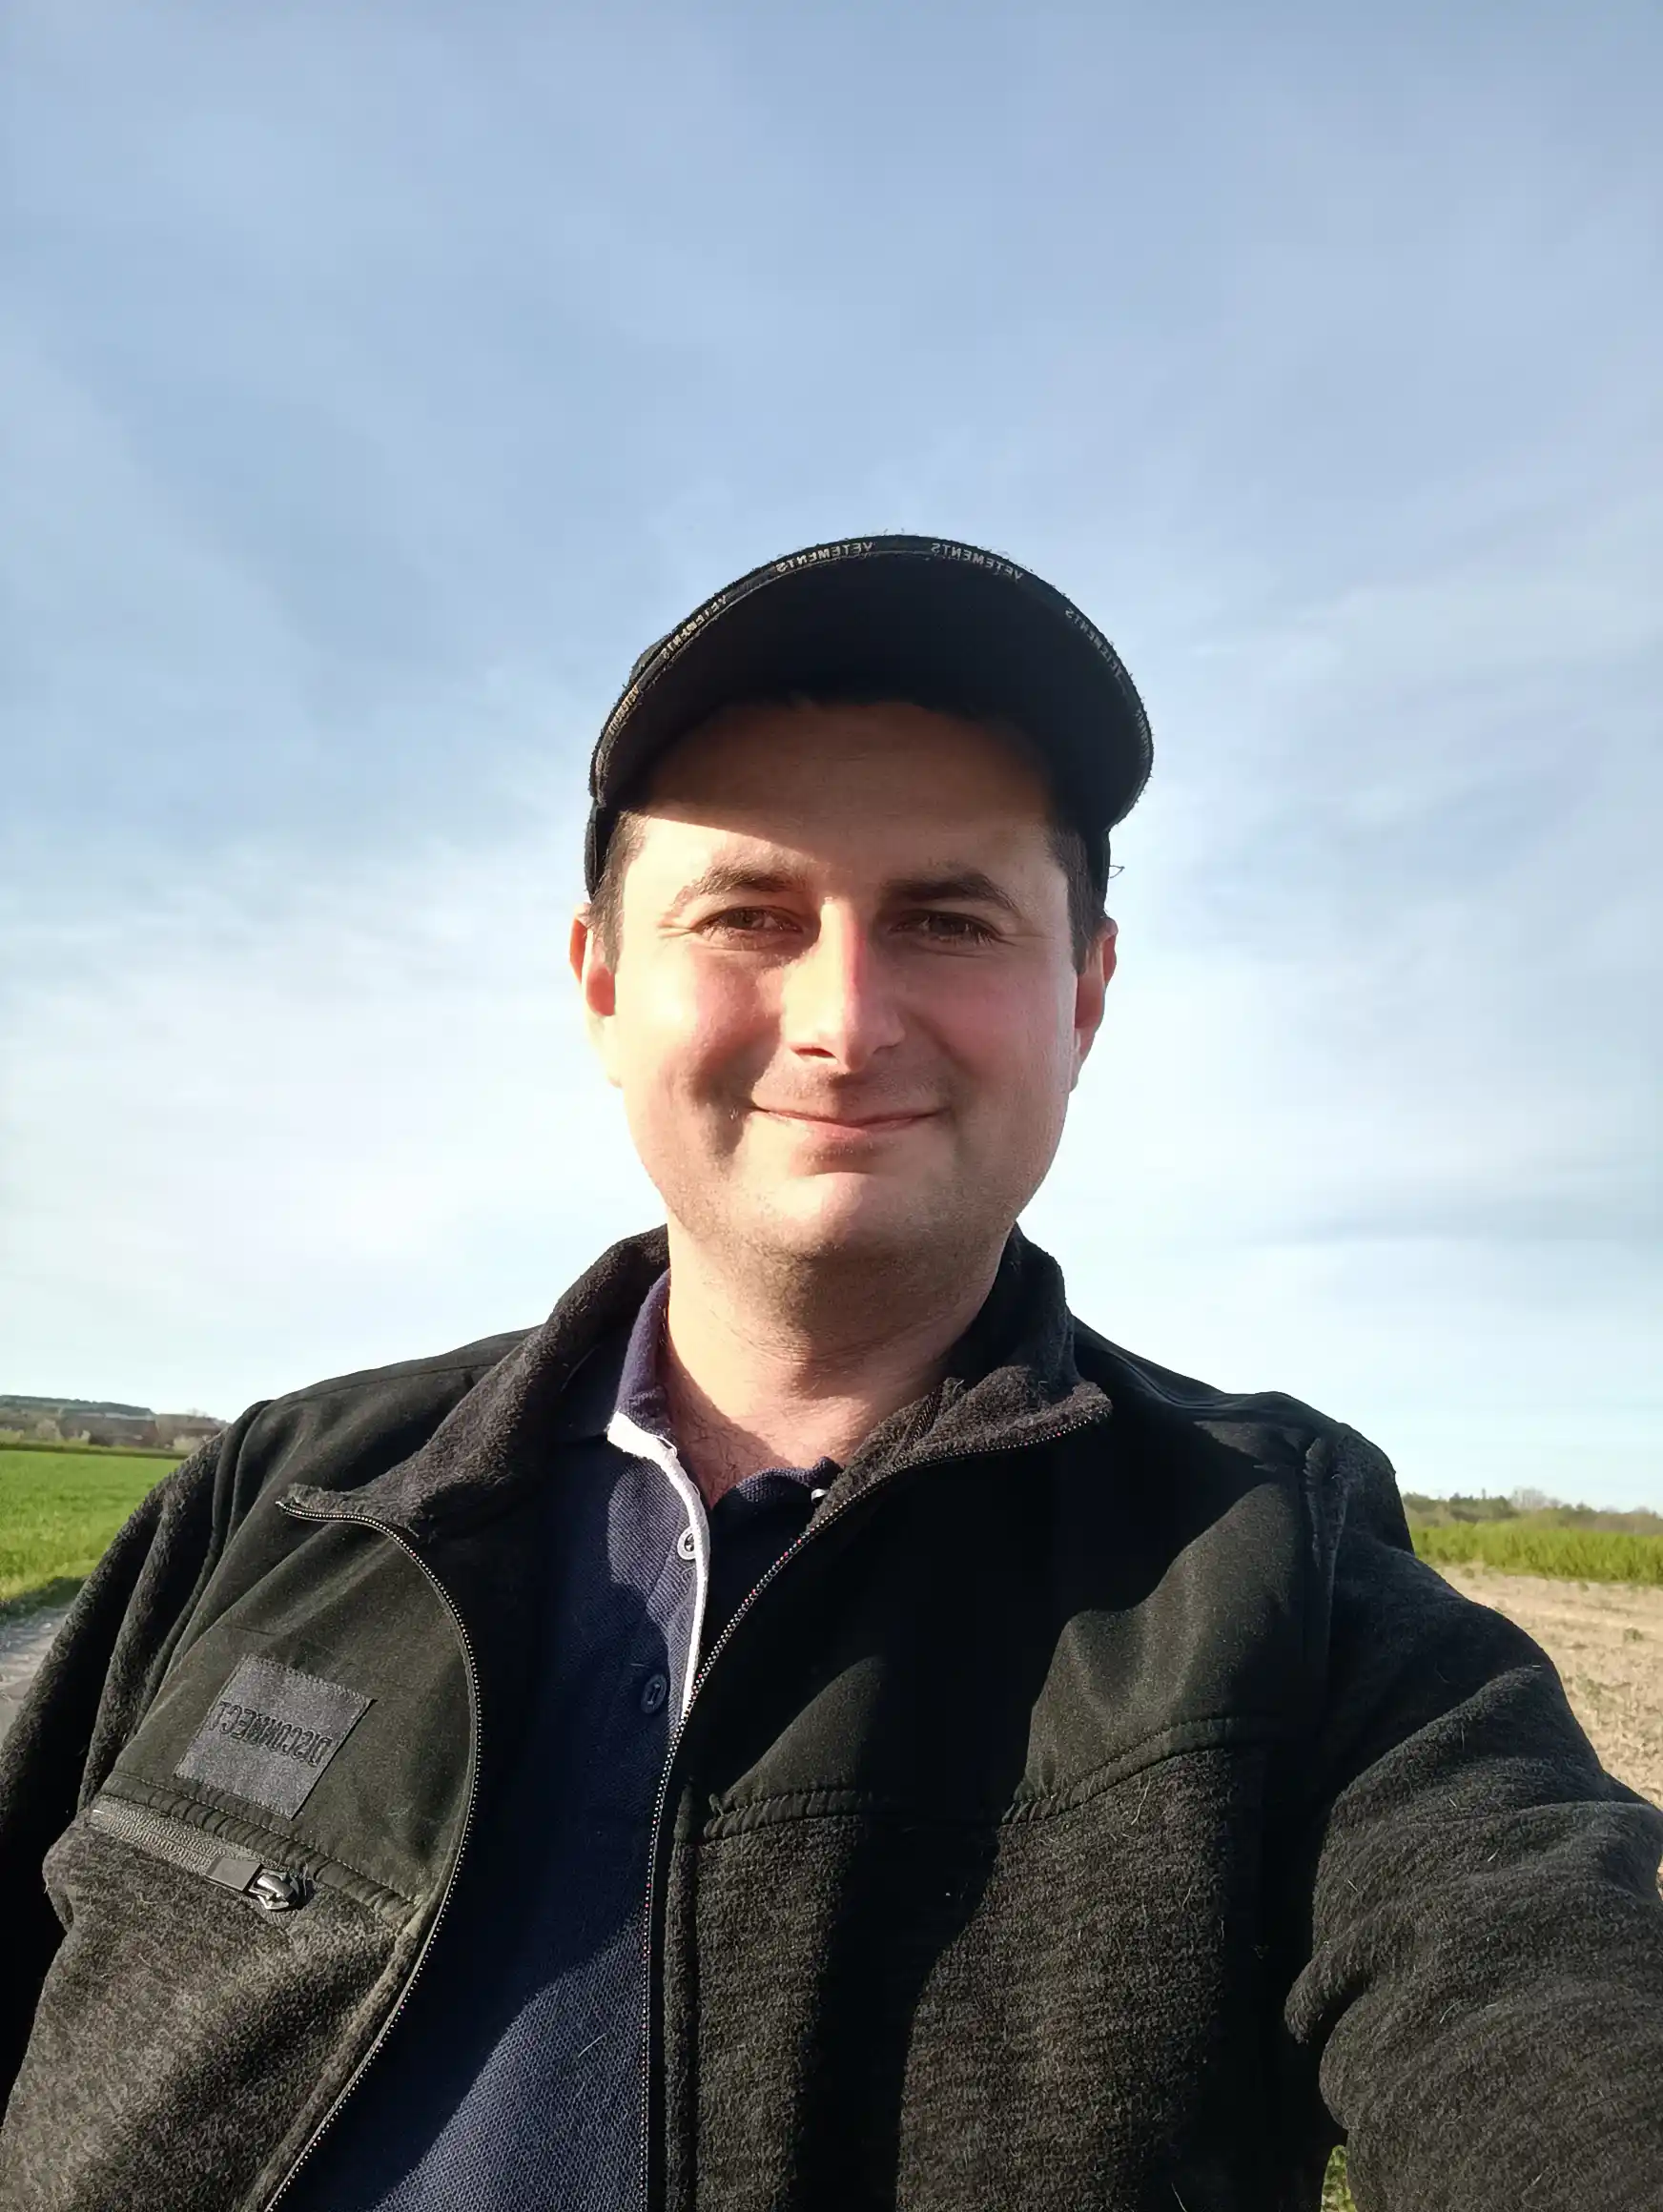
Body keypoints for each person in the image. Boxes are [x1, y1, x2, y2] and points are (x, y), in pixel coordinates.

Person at [1, 536, 1658, 2212]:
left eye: (948, 918)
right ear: (602, 986)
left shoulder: (1283, 1568)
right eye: (748, 915)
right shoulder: (288, 1494)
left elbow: (1538, 1989)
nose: (845, 1022)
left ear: (1084, 997)